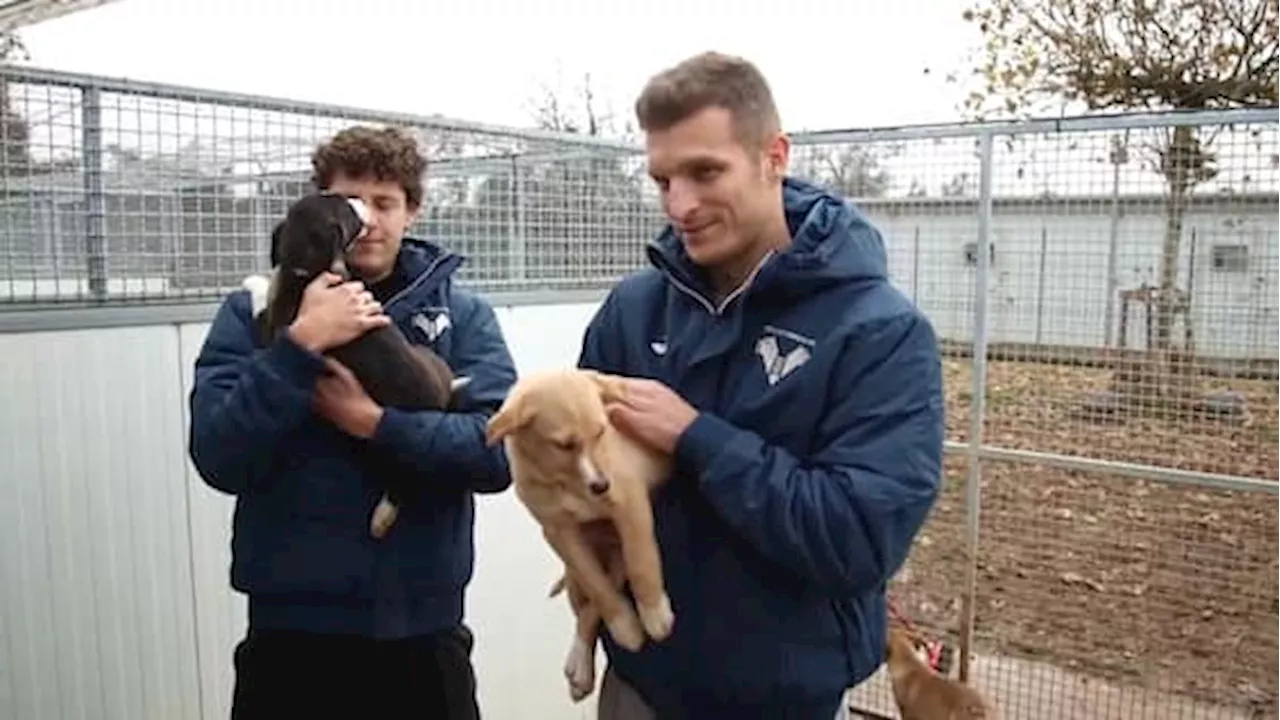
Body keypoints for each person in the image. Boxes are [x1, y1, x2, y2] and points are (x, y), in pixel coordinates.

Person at [577, 51, 946, 719]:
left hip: (781, 694)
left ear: (774, 156)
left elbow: (858, 540)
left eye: (705, 172)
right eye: (662, 179)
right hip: (640, 684)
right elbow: (577, 474)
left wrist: (696, 438)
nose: (680, 205)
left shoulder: (880, 332)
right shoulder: (633, 310)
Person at [187, 125, 517, 720]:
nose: (368, 222)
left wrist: (376, 424)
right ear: (322, 209)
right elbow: (218, 453)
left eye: (385, 203)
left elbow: (497, 456)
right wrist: (300, 346)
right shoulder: (255, 314)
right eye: (352, 204)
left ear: (412, 211)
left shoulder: (462, 318)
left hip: (421, 635)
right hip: (292, 638)